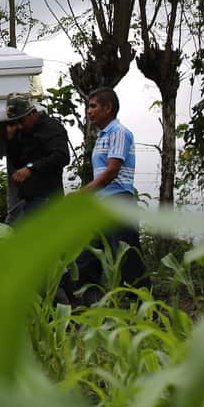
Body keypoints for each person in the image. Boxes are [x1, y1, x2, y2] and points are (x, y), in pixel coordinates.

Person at [71, 87, 144, 300]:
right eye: (88, 107)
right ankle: (92, 316)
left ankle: (148, 315)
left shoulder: (119, 133)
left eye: (93, 106)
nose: (88, 111)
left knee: (129, 264)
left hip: (119, 203)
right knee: (86, 263)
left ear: (108, 107)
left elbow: (112, 171)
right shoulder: (102, 136)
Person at [4, 93, 71, 222]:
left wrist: (31, 169)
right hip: (30, 200)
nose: (19, 126)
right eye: (15, 122)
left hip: (47, 200)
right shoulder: (25, 132)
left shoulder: (50, 127)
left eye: (21, 121)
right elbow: (18, 162)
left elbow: (62, 156)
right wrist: (12, 140)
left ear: (33, 113)